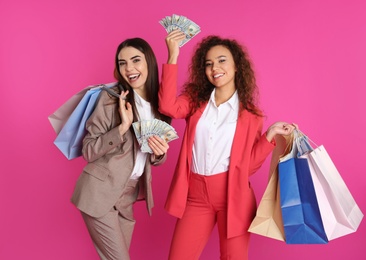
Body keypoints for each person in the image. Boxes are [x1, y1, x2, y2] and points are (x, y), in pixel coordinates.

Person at [159, 30, 296, 260]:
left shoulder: (252, 115)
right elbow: (167, 107)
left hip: (234, 196)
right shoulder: (195, 100)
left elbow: (248, 167)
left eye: (222, 61)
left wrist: (270, 135)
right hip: (195, 195)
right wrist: (173, 56)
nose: (215, 68)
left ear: (236, 67)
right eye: (209, 64)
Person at [71, 38, 171, 260]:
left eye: (136, 60)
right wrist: (122, 127)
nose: (129, 68)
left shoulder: (160, 106)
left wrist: (160, 154)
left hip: (128, 196)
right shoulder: (111, 98)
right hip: (99, 191)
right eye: (122, 63)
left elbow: (152, 156)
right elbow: (88, 150)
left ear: (149, 63)